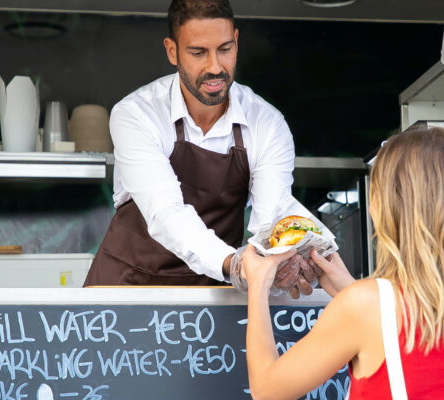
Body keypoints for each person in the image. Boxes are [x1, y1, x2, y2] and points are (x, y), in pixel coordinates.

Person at [242, 126, 444, 399]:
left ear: (383, 207)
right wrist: (350, 289)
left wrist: (257, 284)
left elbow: (267, 390)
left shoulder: (363, 306)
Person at [83, 0, 332, 296]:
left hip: (211, 298)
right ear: (172, 51)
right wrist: (235, 265)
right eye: (198, 52)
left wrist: (284, 262)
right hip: (125, 291)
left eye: (224, 49)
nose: (215, 67)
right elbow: (166, 212)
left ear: (237, 42)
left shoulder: (266, 123)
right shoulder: (137, 114)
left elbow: (271, 218)